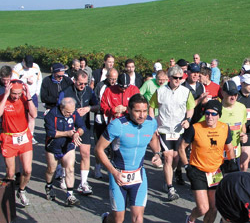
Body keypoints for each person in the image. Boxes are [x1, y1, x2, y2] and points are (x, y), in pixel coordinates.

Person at [95, 94, 161, 223]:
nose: (141, 115)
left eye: (144, 111)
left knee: (138, 218)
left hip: (138, 175)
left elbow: (153, 138)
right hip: (118, 175)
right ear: (129, 110)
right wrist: (113, 172)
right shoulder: (117, 125)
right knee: (118, 219)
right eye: (137, 111)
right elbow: (98, 149)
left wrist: (157, 153)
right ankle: (106, 220)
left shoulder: (151, 122)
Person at [179, 100, 238, 223]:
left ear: (219, 115)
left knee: (213, 208)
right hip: (198, 171)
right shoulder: (195, 128)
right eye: (207, 113)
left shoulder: (224, 128)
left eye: (213, 114)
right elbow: (181, 147)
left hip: (215, 172)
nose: (209, 116)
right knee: (203, 208)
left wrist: (232, 162)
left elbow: (229, 147)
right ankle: (191, 218)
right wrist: (186, 166)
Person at [149, 65, 195, 201]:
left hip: (179, 130)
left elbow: (190, 107)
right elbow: (151, 106)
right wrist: (153, 124)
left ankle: (169, 175)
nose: (178, 80)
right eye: (175, 78)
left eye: (180, 78)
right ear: (169, 78)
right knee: (168, 157)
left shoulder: (186, 92)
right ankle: (170, 187)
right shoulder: (160, 91)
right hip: (164, 129)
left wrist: (188, 119)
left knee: (176, 157)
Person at [58, 70, 99, 195]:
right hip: (68, 126)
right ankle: (64, 176)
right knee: (67, 153)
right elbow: (58, 108)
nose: (83, 86)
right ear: (74, 80)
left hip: (84, 126)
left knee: (85, 153)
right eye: (80, 83)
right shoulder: (65, 92)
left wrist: (88, 108)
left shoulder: (89, 91)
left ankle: (83, 182)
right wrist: (72, 111)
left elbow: (98, 106)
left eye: (85, 83)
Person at [0, 79, 37, 206]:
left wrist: (29, 97)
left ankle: (21, 190)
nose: (16, 97)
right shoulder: (4, 98)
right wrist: (5, 96)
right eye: (14, 93)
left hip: (23, 137)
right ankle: (8, 198)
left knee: (27, 170)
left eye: (19, 93)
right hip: (9, 138)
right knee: (10, 172)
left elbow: (34, 114)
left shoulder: (24, 99)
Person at [44, 97, 85, 206]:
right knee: (51, 169)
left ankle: (70, 195)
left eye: (72, 112)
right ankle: (48, 186)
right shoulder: (51, 115)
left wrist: (77, 133)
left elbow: (82, 126)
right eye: (67, 112)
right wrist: (67, 133)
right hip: (53, 146)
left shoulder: (73, 113)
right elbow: (51, 133)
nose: (70, 114)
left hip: (68, 146)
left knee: (70, 168)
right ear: (61, 107)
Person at [94, 68, 119, 178]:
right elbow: (96, 101)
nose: (113, 81)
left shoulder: (118, 87)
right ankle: (98, 166)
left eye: (115, 79)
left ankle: (112, 169)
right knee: (100, 145)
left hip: (113, 120)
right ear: (107, 77)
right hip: (101, 119)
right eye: (111, 79)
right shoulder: (100, 86)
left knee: (114, 147)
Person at [12, 55, 42, 144]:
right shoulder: (17, 68)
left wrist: (37, 92)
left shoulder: (35, 67)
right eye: (27, 65)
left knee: (32, 116)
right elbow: (14, 81)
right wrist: (25, 81)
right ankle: (19, 135)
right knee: (21, 115)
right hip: (21, 95)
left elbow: (39, 79)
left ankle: (31, 135)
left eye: (30, 65)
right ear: (23, 61)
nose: (28, 67)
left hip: (32, 95)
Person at [220, 80, 248, 167]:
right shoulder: (216, 109)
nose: (233, 97)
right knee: (219, 180)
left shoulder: (241, 107)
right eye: (230, 94)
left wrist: (244, 135)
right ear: (223, 93)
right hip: (218, 153)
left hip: (235, 153)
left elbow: (242, 126)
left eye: (235, 95)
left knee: (233, 179)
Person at [236, 74, 250, 171]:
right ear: (242, 84)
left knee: (245, 162)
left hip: (249, 131)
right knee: (242, 164)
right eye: (248, 84)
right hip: (240, 132)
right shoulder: (236, 97)